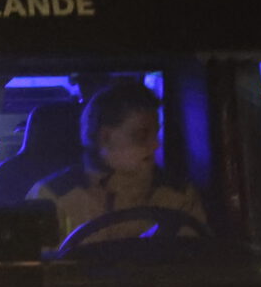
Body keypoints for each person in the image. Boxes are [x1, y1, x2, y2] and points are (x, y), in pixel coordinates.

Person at [35, 78, 206, 240]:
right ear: (105, 138)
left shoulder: (178, 196)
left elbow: (197, 256)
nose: (155, 145)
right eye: (141, 135)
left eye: (156, 133)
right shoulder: (54, 198)